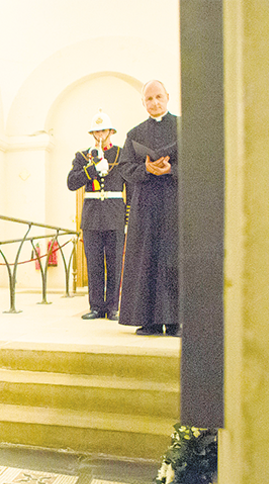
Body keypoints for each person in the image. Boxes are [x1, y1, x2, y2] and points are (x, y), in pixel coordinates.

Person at [118, 80, 181, 336]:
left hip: (174, 202)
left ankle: (176, 321)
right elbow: (124, 168)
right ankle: (150, 321)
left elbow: (199, 164)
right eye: (149, 99)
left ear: (167, 97)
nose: (154, 103)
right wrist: (146, 168)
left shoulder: (182, 127)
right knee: (148, 258)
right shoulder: (134, 133)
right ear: (142, 103)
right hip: (145, 206)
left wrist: (172, 169)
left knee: (173, 258)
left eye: (158, 97)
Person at [66, 111, 126, 320]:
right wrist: (91, 170)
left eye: (104, 130)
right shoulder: (83, 156)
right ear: (92, 133)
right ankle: (96, 306)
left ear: (111, 131)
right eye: (96, 131)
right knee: (94, 263)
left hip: (115, 214)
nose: (100, 134)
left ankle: (113, 307)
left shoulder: (121, 154)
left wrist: (127, 219)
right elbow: (71, 183)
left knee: (115, 263)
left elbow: (131, 186)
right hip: (92, 216)